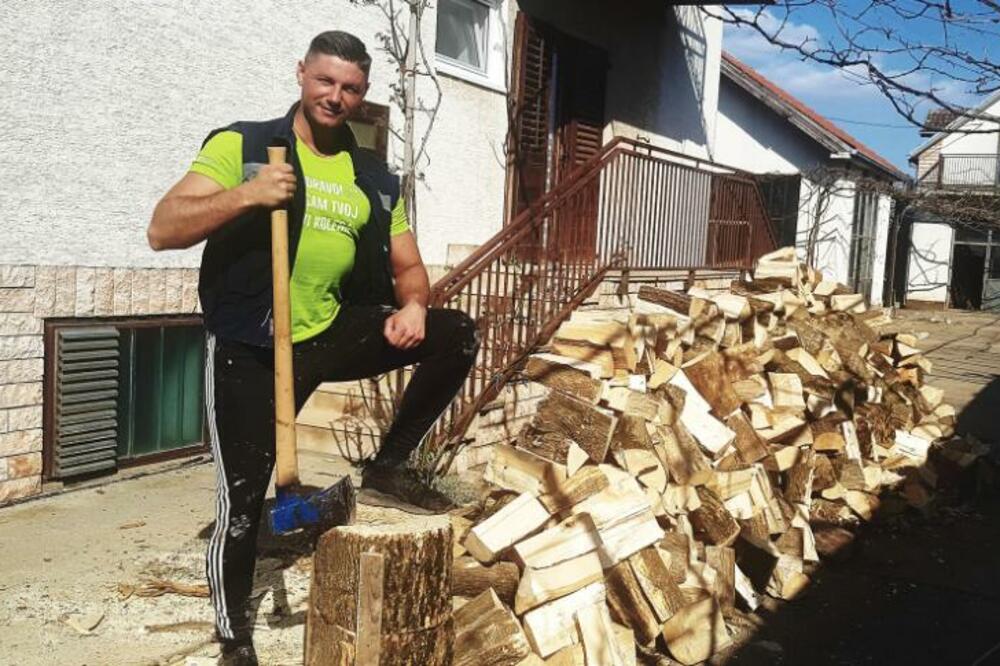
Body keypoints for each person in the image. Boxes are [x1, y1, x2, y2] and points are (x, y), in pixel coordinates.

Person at [147, 30, 478, 665]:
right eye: (325, 81)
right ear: (302, 74)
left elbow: (409, 269)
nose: (336, 96)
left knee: (455, 333)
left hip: (330, 333)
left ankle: (388, 464)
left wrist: (412, 305)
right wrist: (249, 192)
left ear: (363, 93)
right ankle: (234, 640)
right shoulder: (244, 145)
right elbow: (163, 228)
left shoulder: (374, 178)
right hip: (253, 344)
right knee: (241, 502)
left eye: (350, 87)